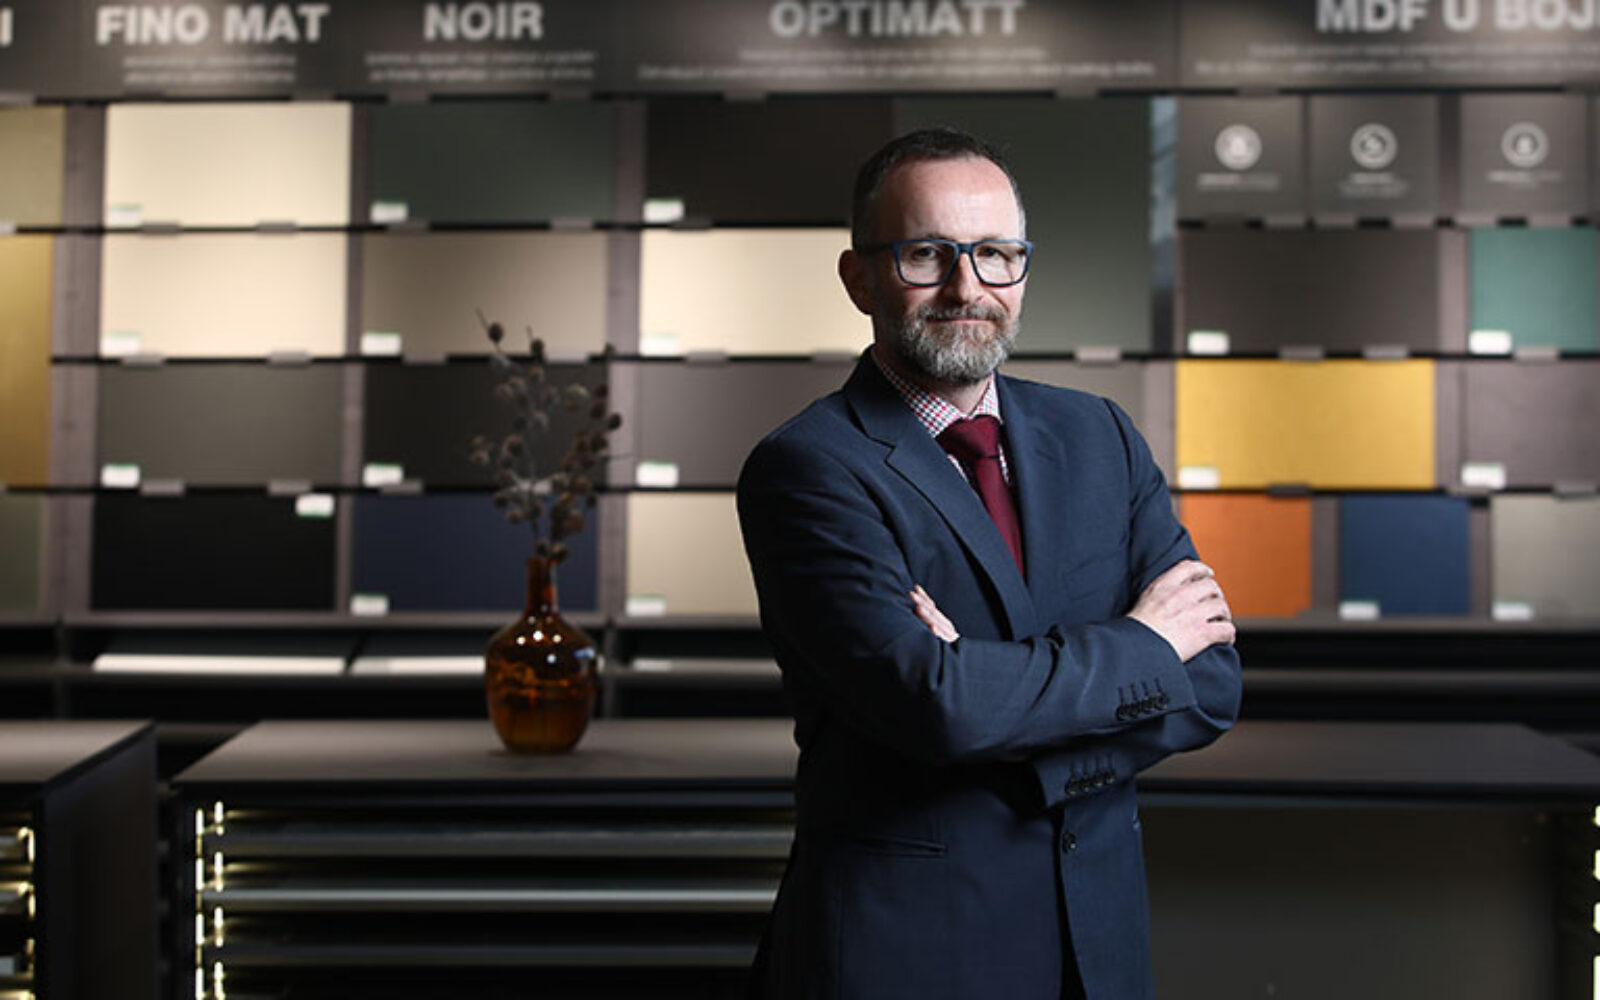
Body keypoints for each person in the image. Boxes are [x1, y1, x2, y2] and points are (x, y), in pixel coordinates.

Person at [735, 127, 1243, 999]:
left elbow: (1213, 683)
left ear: (1023, 270)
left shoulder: (1101, 437)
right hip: (911, 958)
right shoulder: (810, 467)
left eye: (996, 254)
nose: (967, 287)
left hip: (1098, 950)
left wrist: (990, 691)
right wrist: (1147, 646)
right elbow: (935, 705)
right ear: (860, 278)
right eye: (927, 254)